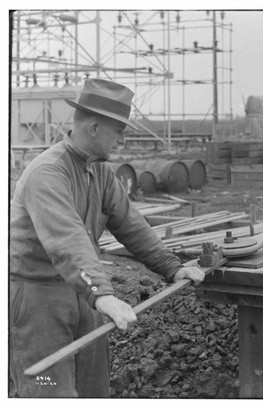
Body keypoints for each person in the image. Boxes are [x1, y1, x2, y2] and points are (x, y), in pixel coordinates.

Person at [9, 78, 205, 398]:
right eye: (119, 131)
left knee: (93, 392)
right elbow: (68, 238)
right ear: (95, 128)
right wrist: (102, 294)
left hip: (84, 295)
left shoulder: (100, 172)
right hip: (39, 299)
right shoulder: (47, 173)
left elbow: (130, 224)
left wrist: (173, 267)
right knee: (50, 395)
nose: (123, 141)